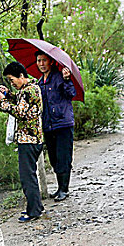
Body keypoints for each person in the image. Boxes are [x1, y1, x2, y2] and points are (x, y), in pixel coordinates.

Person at [0, 62, 44, 223]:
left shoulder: (28, 91)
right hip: (34, 138)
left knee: (27, 177)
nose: (12, 83)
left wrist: (3, 102)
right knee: (29, 175)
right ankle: (35, 207)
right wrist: (7, 93)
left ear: (21, 76)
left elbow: (20, 112)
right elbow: (22, 101)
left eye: (12, 79)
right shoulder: (30, 88)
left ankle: (34, 211)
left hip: (28, 140)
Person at [35, 50, 77, 201]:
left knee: (63, 157)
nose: (41, 64)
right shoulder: (40, 82)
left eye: (44, 61)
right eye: (39, 61)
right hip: (48, 125)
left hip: (63, 123)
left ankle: (64, 189)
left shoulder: (59, 77)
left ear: (51, 62)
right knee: (53, 158)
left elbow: (71, 93)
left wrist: (67, 80)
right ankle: (60, 187)